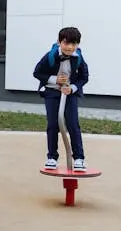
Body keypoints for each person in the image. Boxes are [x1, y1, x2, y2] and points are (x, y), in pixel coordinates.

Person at [32, 26, 89, 170]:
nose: (69, 47)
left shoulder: (78, 58)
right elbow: (37, 72)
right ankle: (52, 157)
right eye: (66, 43)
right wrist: (54, 79)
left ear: (77, 44)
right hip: (52, 93)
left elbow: (84, 77)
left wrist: (72, 88)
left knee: (73, 124)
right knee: (53, 124)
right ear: (59, 42)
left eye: (73, 44)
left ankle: (79, 158)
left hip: (69, 94)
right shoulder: (50, 56)